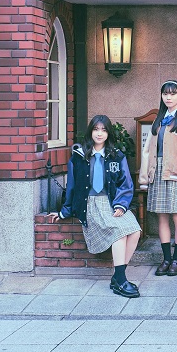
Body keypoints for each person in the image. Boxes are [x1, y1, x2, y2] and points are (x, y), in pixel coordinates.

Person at [48, 115, 141, 298]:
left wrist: (121, 205)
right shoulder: (79, 157)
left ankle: (118, 277)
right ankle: (121, 281)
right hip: (91, 204)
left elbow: (126, 184)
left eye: (104, 130)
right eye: (96, 129)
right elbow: (72, 186)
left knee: (135, 231)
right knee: (119, 232)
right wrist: (65, 211)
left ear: (108, 133)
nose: (99, 134)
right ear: (91, 132)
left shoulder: (116, 156)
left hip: (112, 203)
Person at [140, 80, 177, 277]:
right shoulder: (158, 120)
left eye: (173, 93)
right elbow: (147, 150)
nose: (169, 97)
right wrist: (145, 177)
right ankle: (166, 259)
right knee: (162, 216)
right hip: (158, 172)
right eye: (165, 94)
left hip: (176, 173)